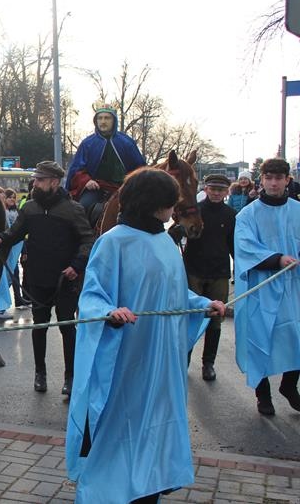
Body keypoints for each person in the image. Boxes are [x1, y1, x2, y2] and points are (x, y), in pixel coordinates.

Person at [66, 168, 226, 504]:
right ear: (154, 204)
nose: (173, 209)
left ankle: (150, 484)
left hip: (163, 360)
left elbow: (174, 294)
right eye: (170, 202)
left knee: (157, 424)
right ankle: (108, 492)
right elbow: (92, 296)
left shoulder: (166, 243)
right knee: (122, 425)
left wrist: (202, 305)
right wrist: (109, 313)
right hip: (127, 360)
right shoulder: (113, 242)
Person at [0, 161, 95, 396]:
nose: (35, 183)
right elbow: (15, 233)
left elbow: (88, 240)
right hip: (37, 278)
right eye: (35, 179)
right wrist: (1, 239)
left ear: (54, 182)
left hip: (65, 280)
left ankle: (70, 377)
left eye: (40, 180)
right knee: (39, 327)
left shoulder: (73, 209)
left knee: (67, 328)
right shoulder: (30, 208)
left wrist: (76, 266)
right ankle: (40, 373)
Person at [233, 158, 300, 416]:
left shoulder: (297, 210)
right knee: (260, 338)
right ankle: (263, 395)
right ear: (261, 179)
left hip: (294, 287)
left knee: (296, 337)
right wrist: (277, 259)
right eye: (268, 178)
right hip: (262, 288)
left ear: (287, 180)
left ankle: (289, 386)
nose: (273, 183)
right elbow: (245, 248)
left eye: (278, 178)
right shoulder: (247, 215)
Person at [183, 174, 236, 381]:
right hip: (193, 270)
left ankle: (208, 363)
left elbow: (234, 245)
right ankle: (184, 360)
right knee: (190, 318)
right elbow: (179, 233)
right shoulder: (194, 211)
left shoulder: (231, 215)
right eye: (212, 189)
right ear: (205, 189)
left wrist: (240, 270)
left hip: (219, 272)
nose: (216, 193)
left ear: (227, 192)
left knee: (215, 320)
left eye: (220, 190)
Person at [66, 103, 146, 212]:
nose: (103, 121)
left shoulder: (127, 143)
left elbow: (140, 169)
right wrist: (87, 181)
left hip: (124, 189)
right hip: (96, 187)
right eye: (100, 118)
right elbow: (76, 170)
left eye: (107, 118)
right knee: (81, 208)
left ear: (114, 121)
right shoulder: (87, 144)